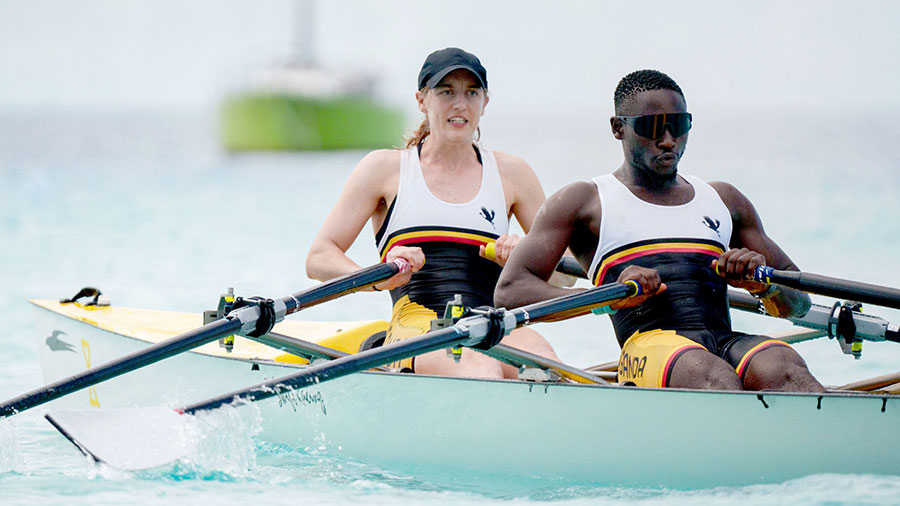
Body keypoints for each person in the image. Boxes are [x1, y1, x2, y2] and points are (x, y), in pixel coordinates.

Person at [494, 69, 824, 392]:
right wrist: (605, 300)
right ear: (617, 128)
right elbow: (510, 292)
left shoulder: (724, 200)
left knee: (785, 367)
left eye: (679, 126)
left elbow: (800, 303)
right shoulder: (584, 202)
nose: (668, 140)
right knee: (710, 375)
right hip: (647, 348)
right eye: (652, 127)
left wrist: (763, 286)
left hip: (724, 341)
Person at [306, 47, 559, 378]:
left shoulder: (514, 174)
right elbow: (319, 258)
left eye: (472, 92)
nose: (460, 104)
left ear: (485, 102)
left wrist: (523, 257)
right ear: (422, 100)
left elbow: (563, 274)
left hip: (493, 323)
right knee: (481, 370)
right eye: (446, 92)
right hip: (413, 328)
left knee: (547, 370)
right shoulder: (385, 169)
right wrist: (379, 278)